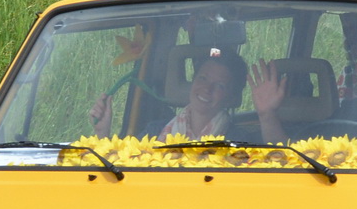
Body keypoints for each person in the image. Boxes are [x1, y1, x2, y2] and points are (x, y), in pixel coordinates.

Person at [89, 49, 287, 142]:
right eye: (202, 78)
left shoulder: (238, 140)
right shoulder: (154, 131)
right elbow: (122, 171)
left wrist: (266, 115)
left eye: (219, 86)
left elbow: (283, 162)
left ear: (231, 98)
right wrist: (102, 133)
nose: (206, 89)